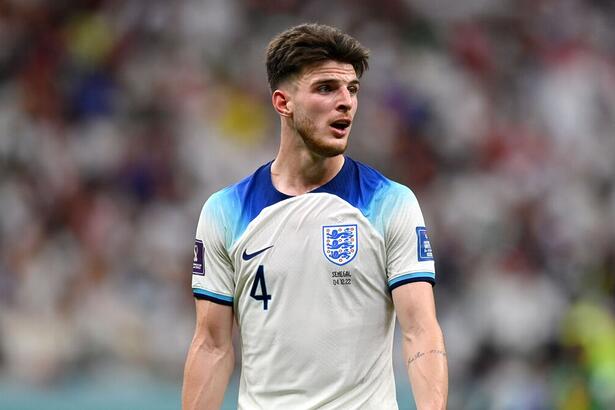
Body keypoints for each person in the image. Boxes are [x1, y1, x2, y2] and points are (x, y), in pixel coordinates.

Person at [182, 23, 448, 410]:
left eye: (352, 89)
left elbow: (421, 332)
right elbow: (211, 345)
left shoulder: (391, 203)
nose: (346, 102)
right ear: (282, 102)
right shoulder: (225, 211)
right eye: (327, 88)